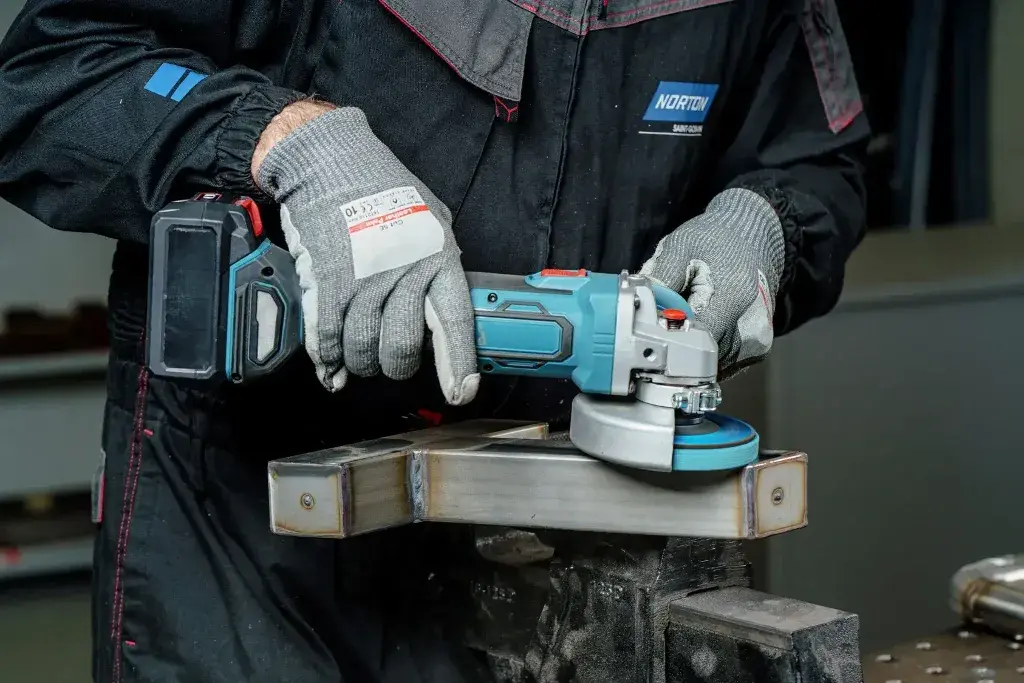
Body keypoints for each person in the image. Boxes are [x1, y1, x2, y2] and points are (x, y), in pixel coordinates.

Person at [0, 0, 869, 680]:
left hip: (547, 535)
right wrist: (290, 141)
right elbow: (50, 74)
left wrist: (767, 224)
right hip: (244, 535)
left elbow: (818, 160)